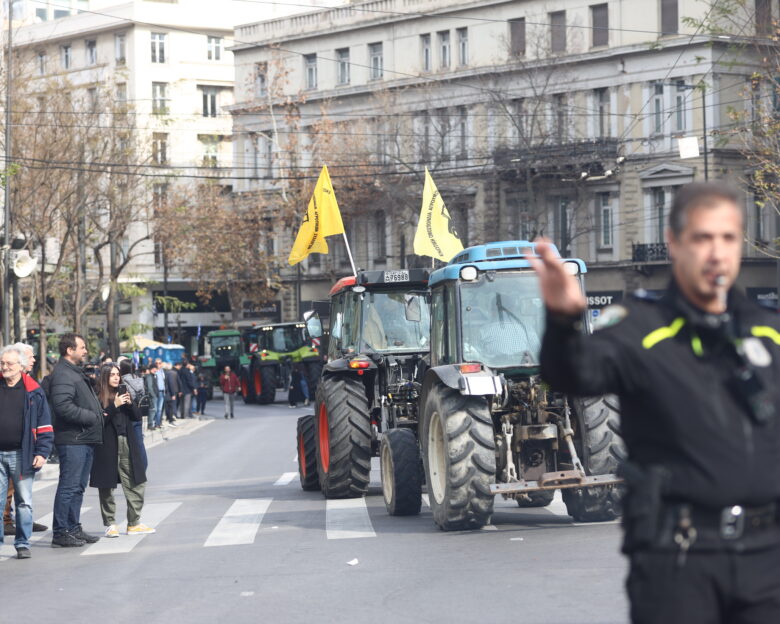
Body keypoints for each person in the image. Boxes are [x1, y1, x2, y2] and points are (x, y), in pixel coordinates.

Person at [530, 182, 780, 624]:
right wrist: (563, 321)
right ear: (674, 243)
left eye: (727, 238)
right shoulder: (638, 328)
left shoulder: (767, 329)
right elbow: (573, 375)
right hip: (680, 558)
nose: (716, 253)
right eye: (702, 238)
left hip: (767, 557)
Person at [49, 333, 103, 548]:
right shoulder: (63, 374)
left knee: (78, 487)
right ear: (69, 350)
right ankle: (61, 531)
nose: (86, 351)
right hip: (73, 439)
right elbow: (63, 406)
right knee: (69, 486)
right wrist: (91, 416)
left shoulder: (74, 372)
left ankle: (73, 527)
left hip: (82, 438)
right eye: (82, 347)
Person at [0, 345, 54, 559]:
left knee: (24, 502)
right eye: (2, 363)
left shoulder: (33, 391)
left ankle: (22, 543)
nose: (4, 367)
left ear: (20, 366)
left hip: (22, 455)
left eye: (9, 363)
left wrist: (42, 452)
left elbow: (44, 424)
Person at [90, 364, 155, 537]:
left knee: (136, 481)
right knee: (107, 486)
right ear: (104, 377)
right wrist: (114, 405)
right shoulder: (97, 395)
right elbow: (97, 421)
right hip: (107, 444)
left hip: (127, 441)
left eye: (117, 374)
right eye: (112, 375)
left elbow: (137, 417)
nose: (116, 378)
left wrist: (129, 403)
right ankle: (110, 524)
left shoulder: (123, 392)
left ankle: (134, 523)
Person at [152, 359, 168, 430]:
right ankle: (155, 423)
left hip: (162, 392)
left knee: (160, 409)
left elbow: (165, 381)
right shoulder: (154, 372)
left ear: (161, 364)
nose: (158, 364)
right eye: (156, 363)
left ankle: (158, 423)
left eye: (159, 363)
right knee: (156, 409)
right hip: (156, 392)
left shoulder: (163, 371)